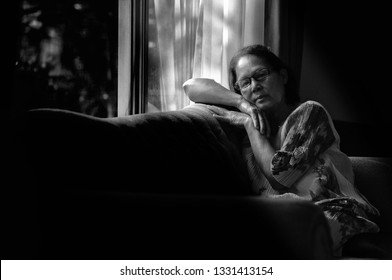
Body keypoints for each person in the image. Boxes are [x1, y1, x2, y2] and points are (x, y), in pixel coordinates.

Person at [182, 44, 380, 257]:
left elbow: (282, 175)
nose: (255, 86)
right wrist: (241, 103)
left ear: (283, 76)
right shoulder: (247, 118)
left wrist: (249, 126)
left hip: (334, 214)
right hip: (282, 219)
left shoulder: (310, 112)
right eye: (245, 83)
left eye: (261, 75)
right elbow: (190, 86)